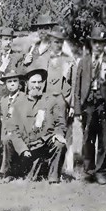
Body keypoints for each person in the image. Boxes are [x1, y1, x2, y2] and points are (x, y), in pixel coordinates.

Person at [0, 65, 67, 184]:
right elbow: (13, 129)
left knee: (59, 143)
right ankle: (9, 173)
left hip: (44, 143)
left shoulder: (51, 100)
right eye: (33, 82)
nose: (37, 85)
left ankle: (53, 178)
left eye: (39, 82)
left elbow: (60, 123)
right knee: (7, 139)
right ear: (26, 83)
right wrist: (22, 148)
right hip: (26, 145)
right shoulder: (18, 103)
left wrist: (59, 133)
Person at [74, 26, 106, 185]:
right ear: (91, 43)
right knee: (87, 139)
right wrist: (77, 110)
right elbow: (77, 88)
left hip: (103, 106)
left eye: (101, 43)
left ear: (105, 44)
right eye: (95, 42)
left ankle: (101, 171)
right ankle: (89, 170)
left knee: (103, 139)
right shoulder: (84, 61)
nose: (98, 46)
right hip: (87, 106)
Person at [36, 25, 76, 175]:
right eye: (54, 41)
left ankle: (69, 167)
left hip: (63, 100)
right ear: (50, 42)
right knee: (46, 130)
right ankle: (46, 166)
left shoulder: (69, 60)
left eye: (60, 42)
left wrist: (72, 105)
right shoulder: (43, 57)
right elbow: (37, 81)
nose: (57, 44)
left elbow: (74, 84)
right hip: (46, 100)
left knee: (66, 132)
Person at [0, 27, 23, 99]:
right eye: (6, 39)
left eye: (10, 39)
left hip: (13, 95)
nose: (8, 42)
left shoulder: (17, 57)